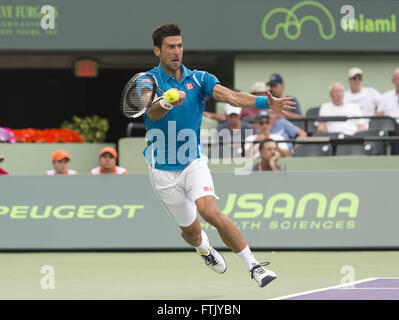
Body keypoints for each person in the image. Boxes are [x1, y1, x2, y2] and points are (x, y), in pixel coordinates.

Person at [141, 24, 295, 288]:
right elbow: (150, 110)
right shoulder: (148, 80)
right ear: (158, 50)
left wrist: (263, 103)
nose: (176, 51)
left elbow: (233, 97)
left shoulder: (199, 79)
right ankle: (204, 250)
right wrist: (167, 100)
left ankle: (254, 266)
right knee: (191, 231)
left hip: (192, 161)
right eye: (170, 47)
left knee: (209, 211)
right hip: (162, 169)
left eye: (179, 45)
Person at [203, 81, 268, 124]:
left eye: (263, 93)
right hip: (248, 137)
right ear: (253, 94)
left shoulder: (270, 107)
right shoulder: (245, 106)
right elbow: (227, 116)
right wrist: (210, 115)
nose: (261, 96)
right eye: (258, 93)